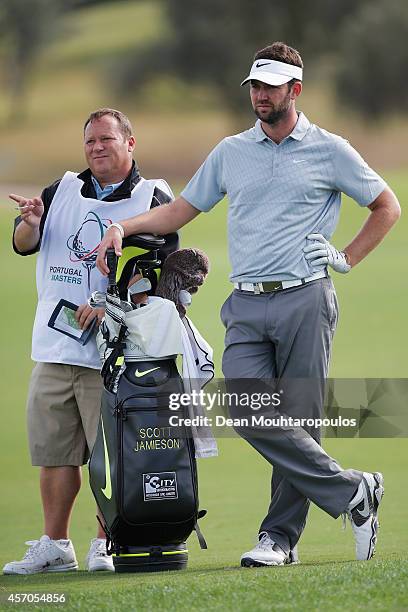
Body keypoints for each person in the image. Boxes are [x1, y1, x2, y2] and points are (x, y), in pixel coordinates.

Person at [95, 43, 401, 566]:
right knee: (243, 406)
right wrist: (125, 225)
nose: (259, 95)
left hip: (306, 298)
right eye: (255, 86)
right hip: (246, 303)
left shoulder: (330, 149)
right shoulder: (231, 151)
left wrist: (345, 258)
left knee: (299, 423)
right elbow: (179, 213)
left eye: (270, 86)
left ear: (295, 90)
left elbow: (386, 206)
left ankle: (279, 540)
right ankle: (353, 491)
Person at [4, 108, 178, 575]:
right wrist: (32, 222)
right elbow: (24, 245)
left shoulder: (152, 195)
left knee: (114, 454)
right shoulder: (60, 190)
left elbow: (165, 269)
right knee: (55, 453)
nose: (97, 148)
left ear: (130, 143)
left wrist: (112, 304)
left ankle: (108, 541)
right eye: (90, 142)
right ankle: (55, 545)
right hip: (55, 347)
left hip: (116, 352)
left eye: (106, 139)